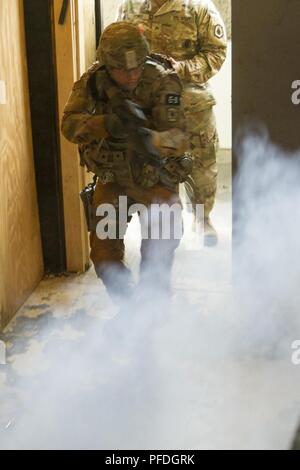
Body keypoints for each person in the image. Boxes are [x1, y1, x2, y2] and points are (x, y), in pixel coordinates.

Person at [61, 22, 191, 307]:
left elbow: (179, 138)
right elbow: (69, 125)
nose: (131, 75)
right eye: (122, 69)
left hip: (155, 174)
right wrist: (106, 125)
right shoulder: (94, 81)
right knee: (105, 256)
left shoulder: (161, 80)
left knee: (160, 247)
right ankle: (130, 309)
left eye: (136, 68)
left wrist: (150, 139)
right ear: (107, 64)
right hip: (113, 175)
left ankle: (152, 308)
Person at [118, 0, 227, 246]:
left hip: (191, 106)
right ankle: (160, 231)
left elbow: (216, 52)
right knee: (153, 168)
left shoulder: (199, 7)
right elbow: (114, 47)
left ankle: (202, 219)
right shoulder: (130, 6)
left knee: (201, 169)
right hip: (146, 107)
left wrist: (184, 68)